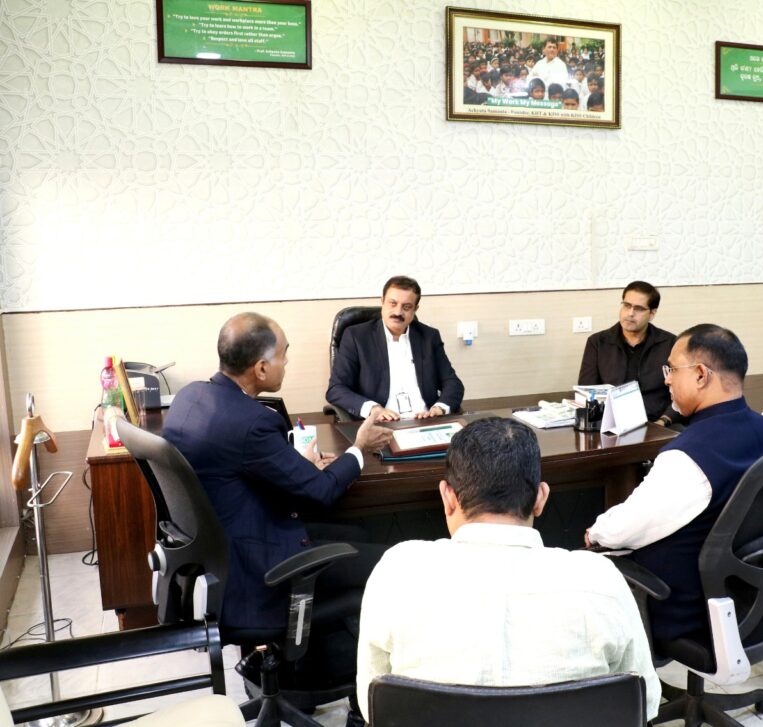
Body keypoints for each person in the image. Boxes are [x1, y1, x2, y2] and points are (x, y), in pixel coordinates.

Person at [163, 312, 394, 726]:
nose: (287, 362)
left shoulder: (191, 397)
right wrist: (358, 448)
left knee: (356, 531)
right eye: (284, 355)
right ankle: (362, 702)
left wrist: (291, 465)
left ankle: (308, 670)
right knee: (387, 563)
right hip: (260, 574)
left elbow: (234, 469)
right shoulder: (253, 422)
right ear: (261, 368)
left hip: (219, 560)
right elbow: (321, 492)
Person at [357, 418, 661, 719]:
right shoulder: (602, 579)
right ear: (540, 498)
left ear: (447, 497)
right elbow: (643, 703)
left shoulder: (396, 572)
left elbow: (372, 703)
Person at [585, 324, 763, 642]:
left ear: (701, 375)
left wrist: (595, 532)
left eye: (672, 369)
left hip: (682, 609)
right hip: (752, 599)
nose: (666, 379)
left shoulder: (689, 456)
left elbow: (621, 531)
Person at [326, 275, 465, 421]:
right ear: (382, 302)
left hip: (425, 421)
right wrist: (373, 409)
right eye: (393, 303)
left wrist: (439, 408)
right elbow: (336, 389)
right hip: (381, 424)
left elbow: (452, 383)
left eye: (406, 307)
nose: (398, 312)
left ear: (415, 309)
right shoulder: (357, 337)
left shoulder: (429, 337)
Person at [578, 281, 680, 425]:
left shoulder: (670, 343)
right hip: (610, 424)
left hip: (658, 422)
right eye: (626, 305)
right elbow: (587, 391)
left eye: (639, 309)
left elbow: (682, 393)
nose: (630, 313)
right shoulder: (598, 343)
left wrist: (664, 420)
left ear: (652, 313)